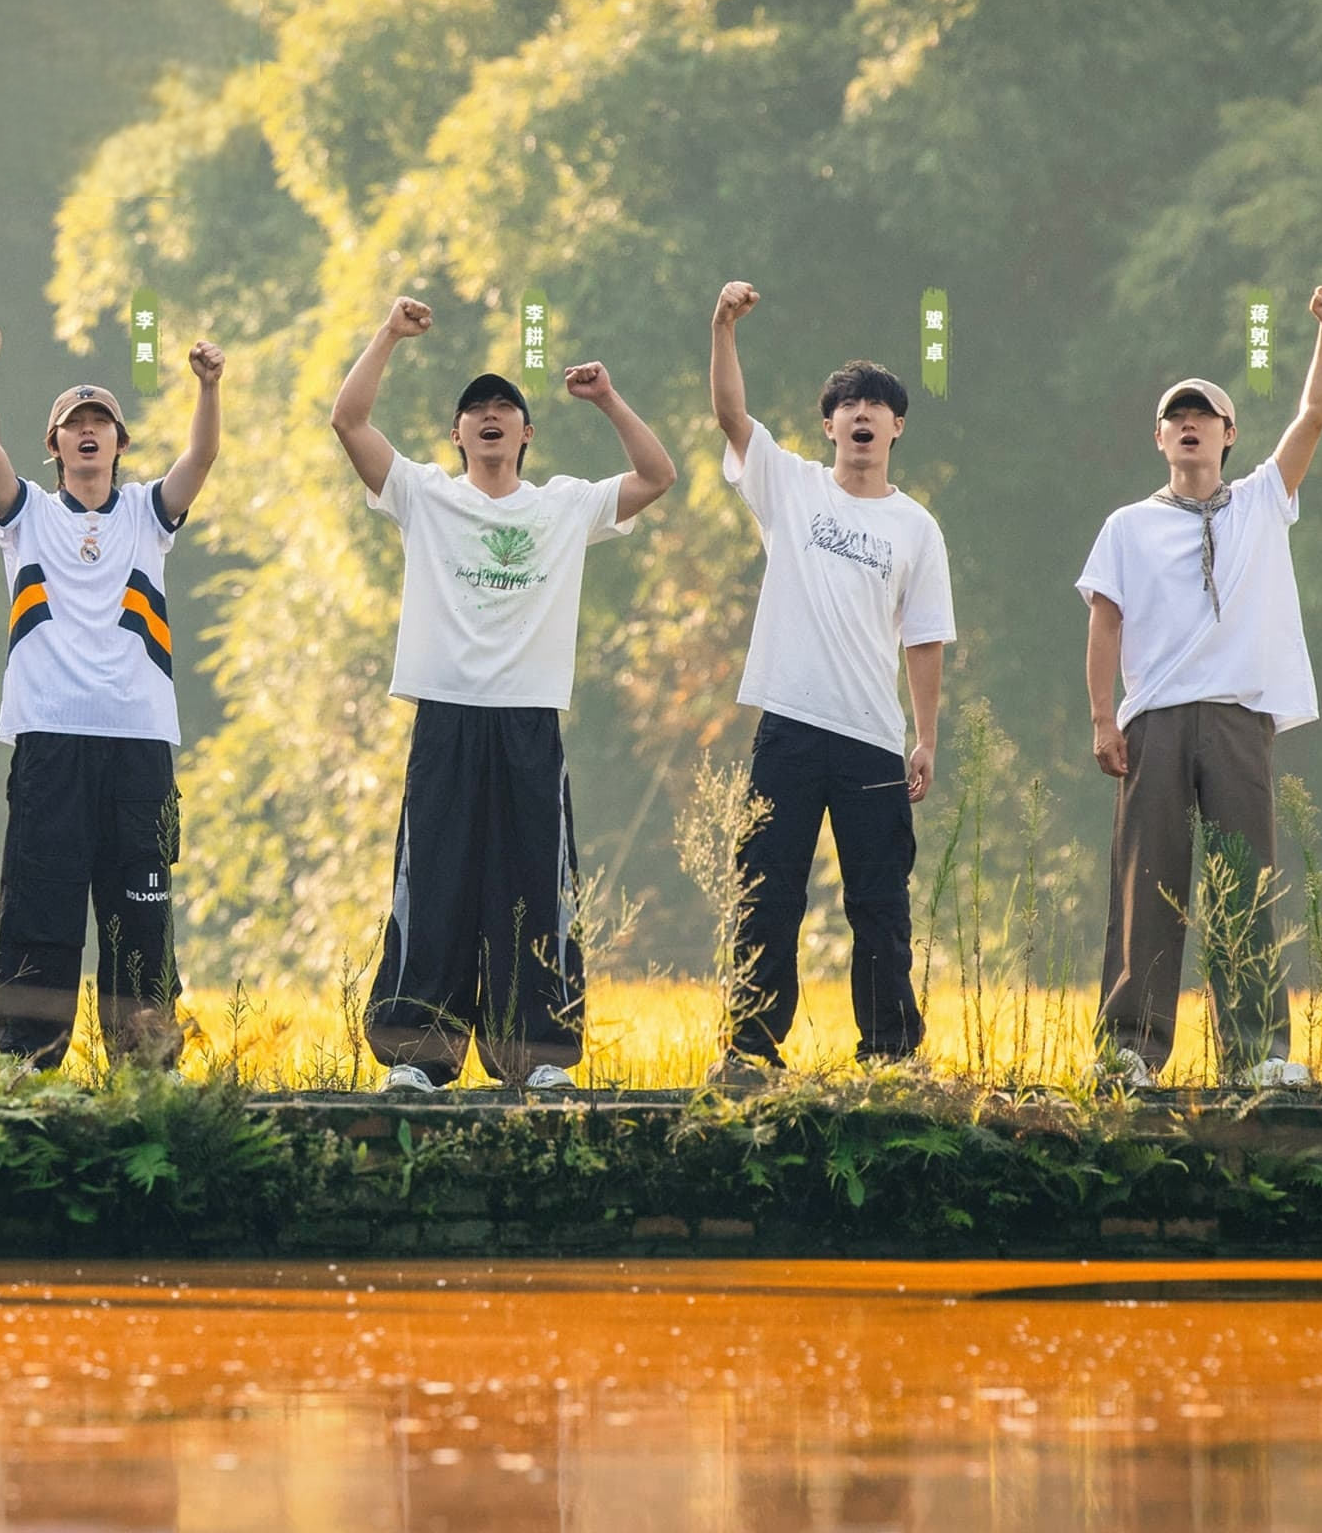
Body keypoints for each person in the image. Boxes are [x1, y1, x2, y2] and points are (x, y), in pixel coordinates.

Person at [329, 298, 674, 1092]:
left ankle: (538, 1058)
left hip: (527, 721)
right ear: (457, 435)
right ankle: (418, 1059)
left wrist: (609, 399)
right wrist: (388, 333)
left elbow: (659, 475)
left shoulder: (562, 506)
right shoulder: (424, 496)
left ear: (526, 435)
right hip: (446, 715)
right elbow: (348, 421)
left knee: (532, 887)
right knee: (437, 880)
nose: (491, 418)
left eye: (505, 411)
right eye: (476, 412)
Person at [1079, 285, 1322, 1087]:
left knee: (1242, 882)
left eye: (1206, 414)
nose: (1190, 422)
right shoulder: (1127, 525)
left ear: (1229, 434)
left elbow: (1313, 417)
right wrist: (1103, 720)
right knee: (1147, 885)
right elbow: (1104, 624)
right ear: (1161, 436)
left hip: (1236, 720)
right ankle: (1129, 1051)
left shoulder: (1263, 502)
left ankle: (1255, 1054)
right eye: (1177, 415)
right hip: (1154, 720)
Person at [706, 280, 957, 1088]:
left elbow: (924, 642)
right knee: (766, 893)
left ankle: (889, 1053)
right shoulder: (792, 489)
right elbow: (731, 418)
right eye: (847, 405)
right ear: (829, 425)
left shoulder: (915, 527)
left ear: (896, 426)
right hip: (788, 724)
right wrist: (724, 330)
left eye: (876, 406)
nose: (861, 416)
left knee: (880, 903)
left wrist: (925, 738)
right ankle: (750, 1049)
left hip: (872, 738)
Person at [0, 317, 226, 1074]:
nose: (87, 434)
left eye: (100, 423)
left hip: (139, 744)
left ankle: (144, 1068)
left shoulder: (147, 514)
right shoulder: (28, 518)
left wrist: (208, 388)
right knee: (40, 909)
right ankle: (24, 1063)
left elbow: (202, 454)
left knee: (139, 913)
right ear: (54, 447)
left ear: (118, 444)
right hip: (49, 738)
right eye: (73, 425)